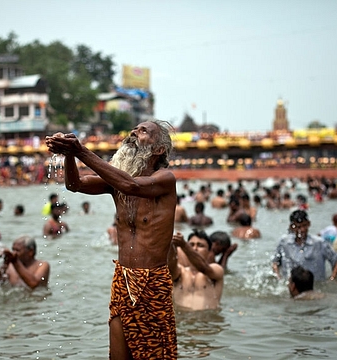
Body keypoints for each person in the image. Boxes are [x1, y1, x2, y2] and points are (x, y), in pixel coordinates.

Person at [46, 119, 177, 359]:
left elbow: (131, 185)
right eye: (135, 128)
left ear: (158, 149)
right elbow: (74, 184)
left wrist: (81, 150)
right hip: (122, 279)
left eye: (143, 131)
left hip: (152, 282)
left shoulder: (165, 179)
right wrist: (69, 154)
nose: (133, 132)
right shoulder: (116, 182)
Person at [272, 210, 337, 282]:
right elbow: (275, 262)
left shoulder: (319, 243)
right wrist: (278, 278)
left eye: (304, 225)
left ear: (309, 224)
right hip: (292, 287)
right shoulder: (284, 243)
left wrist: (332, 279)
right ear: (292, 227)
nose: (302, 230)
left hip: (314, 287)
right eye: (298, 227)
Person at [169, 230, 224, 310]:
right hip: (182, 320)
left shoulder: (216, 270)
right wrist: (172, 245)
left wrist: (184, 245)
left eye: (200, 245)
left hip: (206, 321)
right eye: (191, 245)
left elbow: (203, 268)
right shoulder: (181, 272)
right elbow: (171, 268)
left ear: (209, 252)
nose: (195, 248)